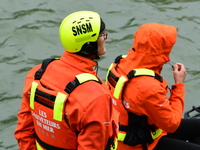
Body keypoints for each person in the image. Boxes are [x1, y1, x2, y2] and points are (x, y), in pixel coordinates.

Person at [14, 10, 119, 150]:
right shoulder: (96, 97)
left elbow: (24, 131)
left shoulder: (37, 73)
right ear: (88, 45)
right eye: (102, 34)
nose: (105, 37)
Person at [106, 22, 200, 150]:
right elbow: (171, 124)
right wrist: (179, 84)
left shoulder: (120, 63)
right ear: (161, 50)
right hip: (141, 144)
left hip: (131, 133)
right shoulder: (147, 86)